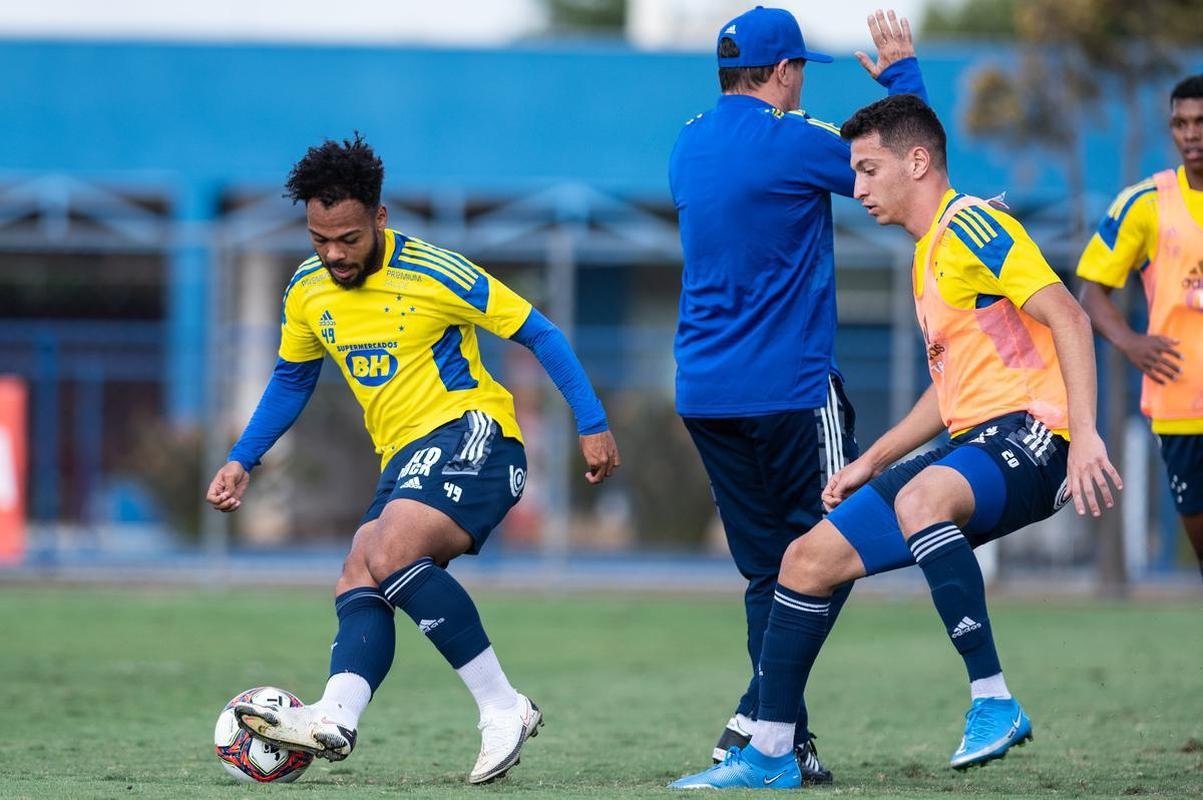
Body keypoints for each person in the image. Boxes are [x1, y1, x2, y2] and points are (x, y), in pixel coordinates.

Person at [670, 94, 1121, 790]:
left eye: (868, 170)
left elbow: (1067, 315)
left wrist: (1085, 434)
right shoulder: (928, 254)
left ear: (916, 162)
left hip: (1040, 435)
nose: (855, 189)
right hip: (980, 438)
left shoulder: (970, 225)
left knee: (921, 499)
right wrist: (867, 461)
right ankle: (768, 752)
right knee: (803, 560)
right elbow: (950, 394)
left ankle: (992, 699)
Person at [204, 134, 620, 784]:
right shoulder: (307, 290)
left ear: (379, 217)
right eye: (319, 239)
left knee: (390, 549)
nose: (334, 254)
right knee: (358, 571)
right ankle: (336, 717)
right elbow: (291, 380)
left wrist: (591, 423)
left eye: (347, 237)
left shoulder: (436, 271)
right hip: (405, 459)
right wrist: (242, 459)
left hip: (476, 434)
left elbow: (539, 330)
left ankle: (500, 708)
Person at [668, 6, 926, 781]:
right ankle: (759, 713)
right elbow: (906, 166)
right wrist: (903, 80)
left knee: (766, 573)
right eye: (801, 68)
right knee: (834, 549)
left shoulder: (686, 141)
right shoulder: (793, 140)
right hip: (787, 388)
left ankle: (781, 743)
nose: (801, 79)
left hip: (704, 390)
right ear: (783, 72)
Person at [1076, 74, 1203, 579]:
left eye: (1201, 122)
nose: (1191, 133)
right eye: (1181, 123)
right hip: (1179, 403)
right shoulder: (1145, 203)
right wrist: (1129, 342)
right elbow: (1091, 291)